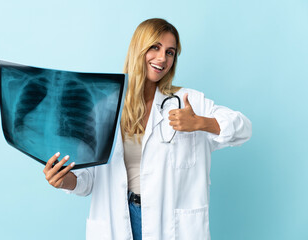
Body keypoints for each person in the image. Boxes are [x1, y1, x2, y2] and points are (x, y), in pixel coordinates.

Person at [43, 18, 252, 240]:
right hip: (119, 219)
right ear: (138, 49)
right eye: (155, 47)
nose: (162, 58)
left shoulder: (188, 101)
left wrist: (200, 122)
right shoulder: (106, 108)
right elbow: (88, 180)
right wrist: (63, 180)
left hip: (171, 224)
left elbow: (243, 129)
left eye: (170, 52)